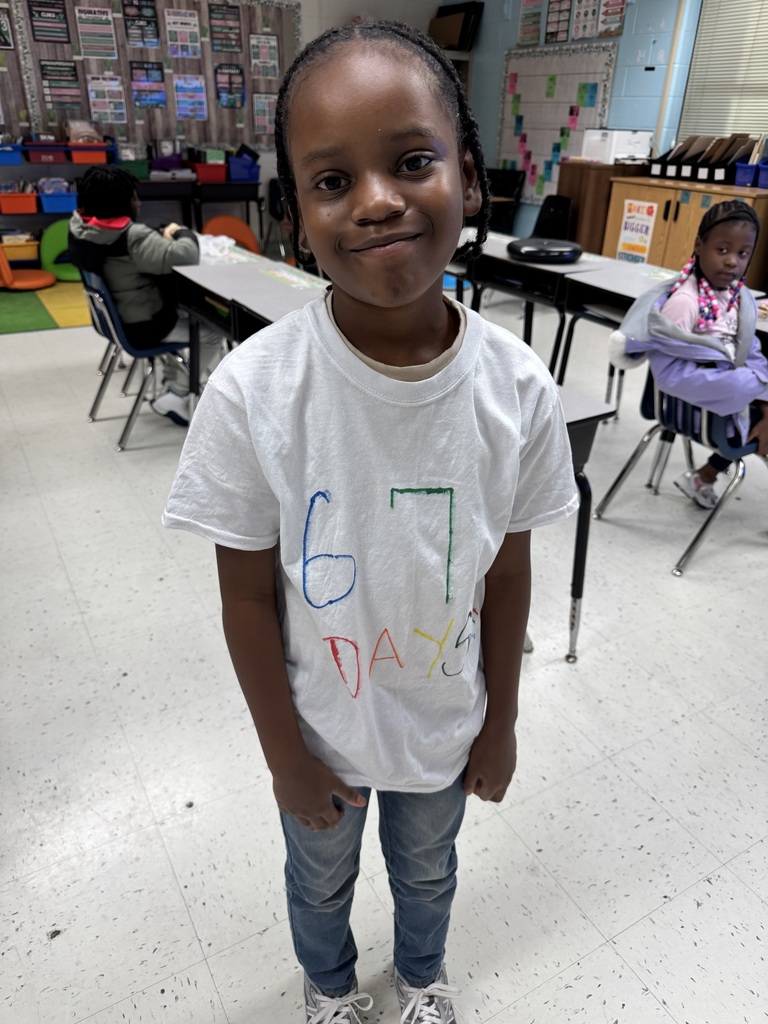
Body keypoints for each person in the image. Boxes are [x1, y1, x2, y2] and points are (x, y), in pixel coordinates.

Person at [162, 20, 578, 1024]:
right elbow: (246, 595)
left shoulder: (518, 388)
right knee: (318, 879)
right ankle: (332, 988)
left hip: (445, 721)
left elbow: (509, 574)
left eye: (412, 161)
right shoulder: (258, 390)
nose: (380, 199)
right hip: (322, 731)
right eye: (332, 180)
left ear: (470, 180)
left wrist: (505, 717)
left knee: (429, 872)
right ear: (295, 216)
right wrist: (284, 756)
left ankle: (424, 977)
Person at [609, 200, 768, 508]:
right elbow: (670, 376)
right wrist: (756, 385)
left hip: (722, 407)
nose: (733, 262)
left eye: (743, 253)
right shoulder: (684, 302)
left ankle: (704, 477)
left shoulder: (735, 297)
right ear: (699, 245)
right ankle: (705, 476)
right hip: (697, 414)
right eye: (722, 250)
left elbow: (752, 351)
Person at [68, 165, 222, 426]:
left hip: (115, 319)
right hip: (144, 324)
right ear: (121, 204)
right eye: (134, 198)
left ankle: (174, 379)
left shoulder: (79, 226)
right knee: (212, 331)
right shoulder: (131, 237)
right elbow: (185, 255)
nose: (138, 203)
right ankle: (177, 392)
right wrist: (180, 231)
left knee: (189, 315)